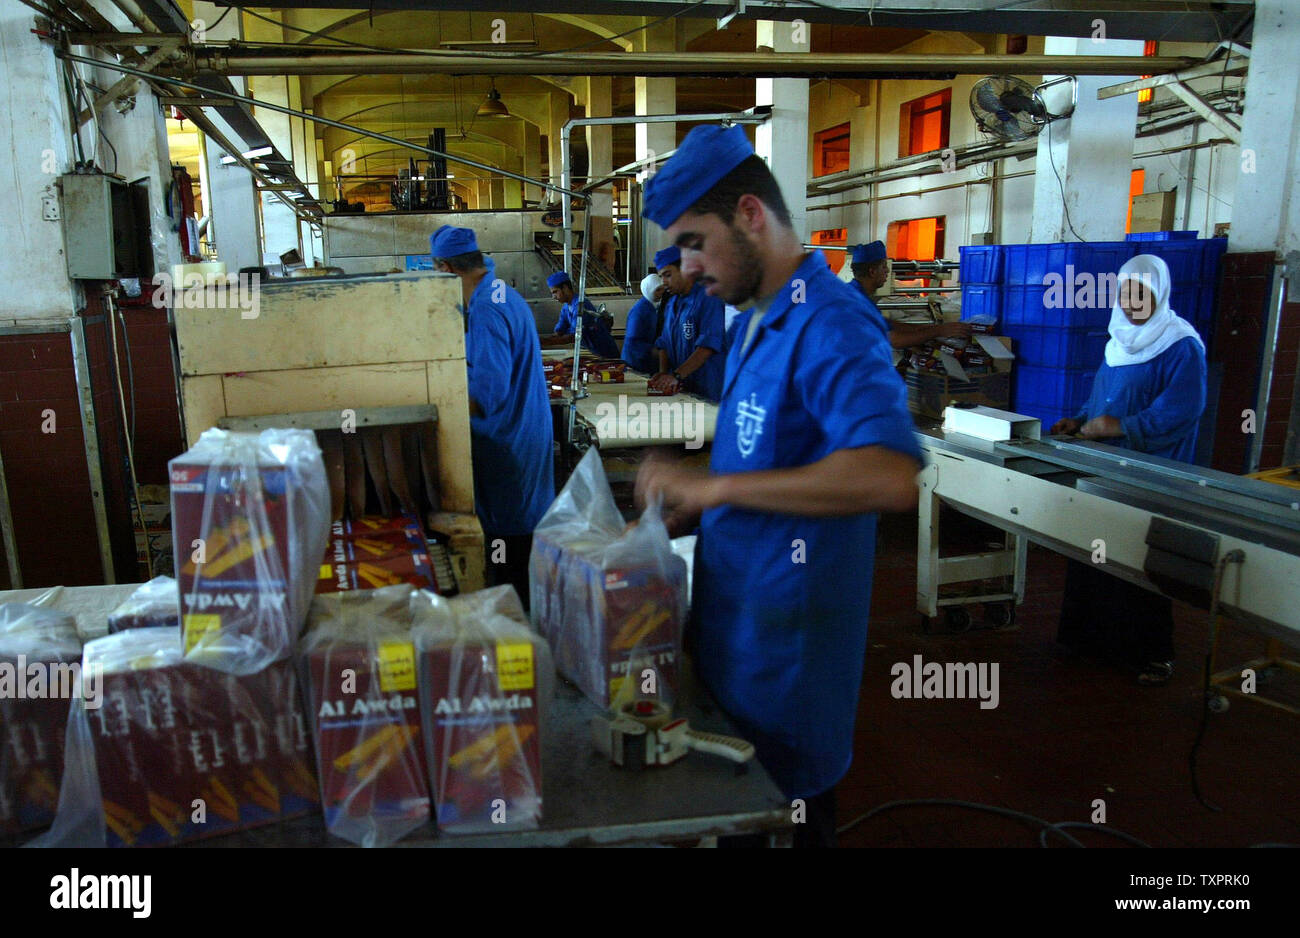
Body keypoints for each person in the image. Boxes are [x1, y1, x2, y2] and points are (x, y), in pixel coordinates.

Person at [634, 125, 922, 847]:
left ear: (752, 215)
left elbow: (890, 475)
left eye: (696, 242)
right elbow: (767, 464)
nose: (689, 266)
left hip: (788, 677)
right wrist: (696, 498)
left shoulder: (831, 322)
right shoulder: (760, 321)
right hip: (737, 648)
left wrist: (717, 492)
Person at [1049, 253, 1207, 686]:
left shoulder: (1180, 346)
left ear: (1159, 294)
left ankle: (1151, 652)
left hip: (1150, 472)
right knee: (1093, 550)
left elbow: (1182, 412)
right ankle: (1089, 640)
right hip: (1103, 467)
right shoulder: (1118, 341)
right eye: (1125, 292)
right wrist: (1080, 420)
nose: (1132, 301)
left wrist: (1121, 427)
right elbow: (1104, 397)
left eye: (1142, 293)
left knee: (1138, 559)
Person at [430, 225, 555, 605]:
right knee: (521, 538)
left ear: (447, 269)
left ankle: (516, 632)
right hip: (523, 435)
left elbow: (488, 393)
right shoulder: (503, 294)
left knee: (507, 551)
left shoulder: (486, 308)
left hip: (507, 446)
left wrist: (436, 406)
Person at [849, 241, 973, 349]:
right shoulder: (858, 302)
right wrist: (939, 331)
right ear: (872, 272)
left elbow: (886, 324)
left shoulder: (854, 294)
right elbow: (895, 341)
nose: (887, 271)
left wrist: (928, 329)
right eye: (884, 267)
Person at [649, 244, 726, 402]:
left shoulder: (708, 298)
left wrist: (676, 375)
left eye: (668, 275)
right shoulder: (672, 303)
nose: (663, 282)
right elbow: (663, 343)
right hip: (683, 389)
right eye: (661, 276)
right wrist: (664, 374)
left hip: (707, 389)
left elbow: (707, 346)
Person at [546, 270, 619, 358]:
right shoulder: (566, 307)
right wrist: (544, 340)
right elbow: (559, 331)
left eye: (555, 292)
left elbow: (573, 337)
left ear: (565, 288)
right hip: (590, 351)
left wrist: (544, 342)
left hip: (604, 353)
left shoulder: (581, 305)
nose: (553, 297)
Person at [622, 272, 664, 374]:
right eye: (657, 290)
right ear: (648, 290)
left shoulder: (653, 307)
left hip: (644, 359)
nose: (661, 292)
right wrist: (654, 351)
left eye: (662, 289)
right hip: (634, 361)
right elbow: (633, 341)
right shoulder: (640, 311)